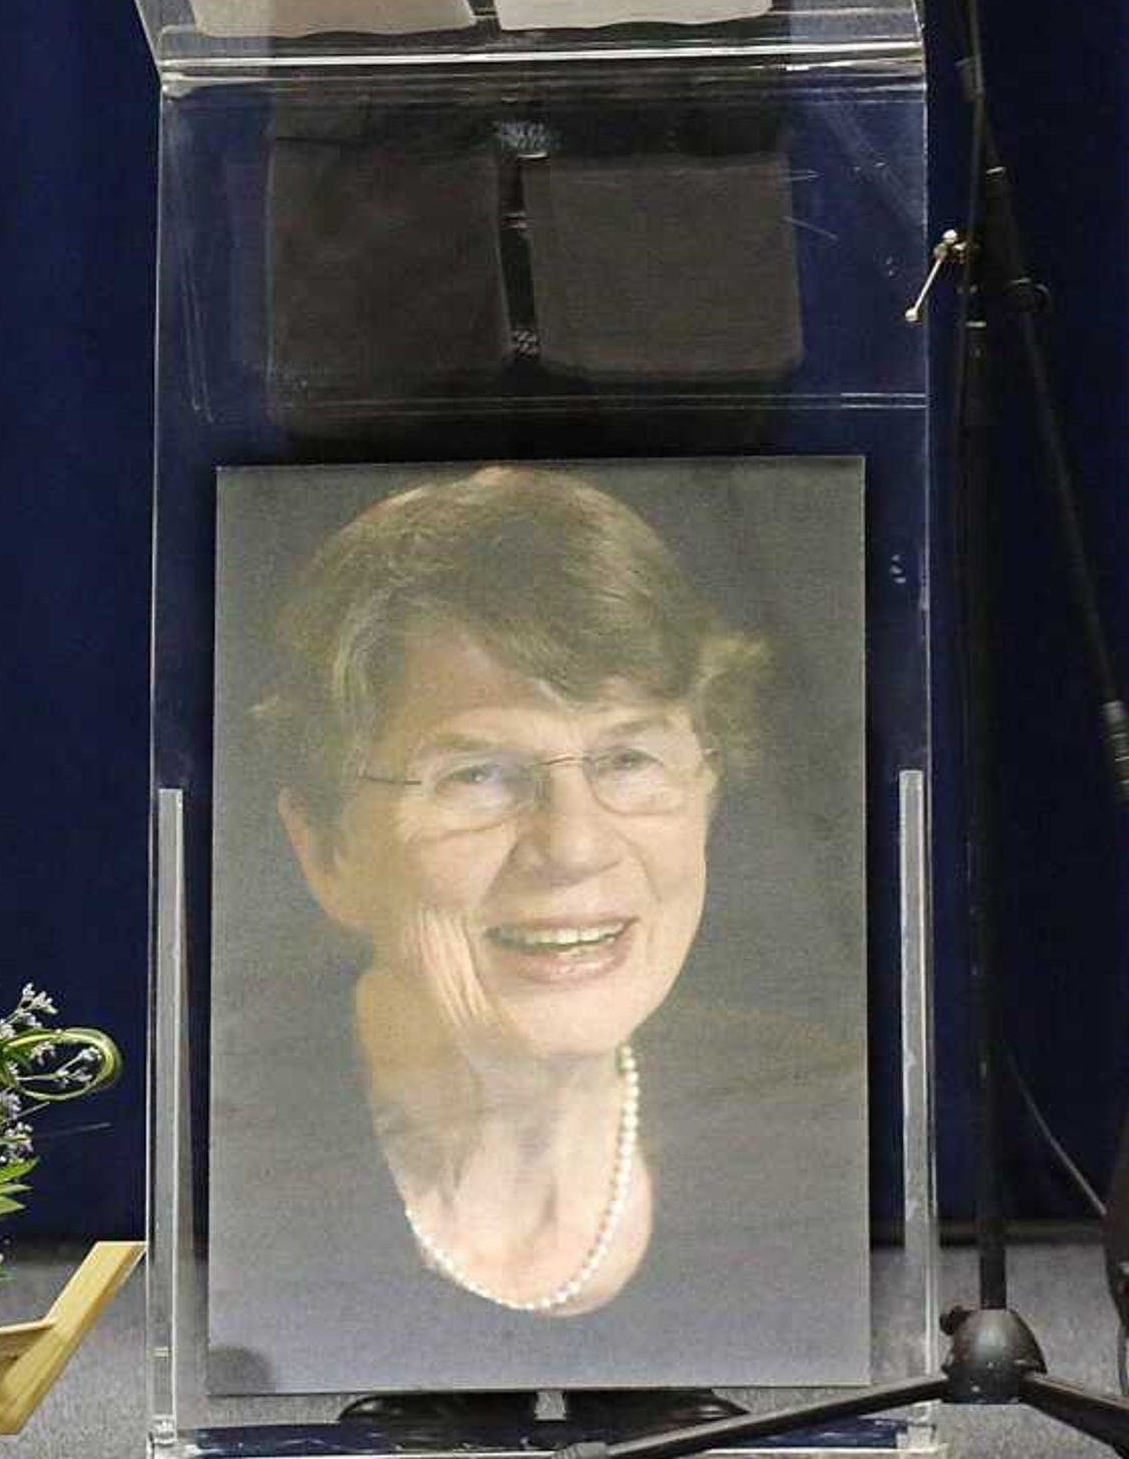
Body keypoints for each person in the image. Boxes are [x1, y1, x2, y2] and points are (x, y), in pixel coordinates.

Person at [207, 464, 868, 1394]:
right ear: (325, 847)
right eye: (477, 774)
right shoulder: (241, 1163)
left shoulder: (803, 1124)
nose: (572, 845)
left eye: (630, 757)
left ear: (709, 792)